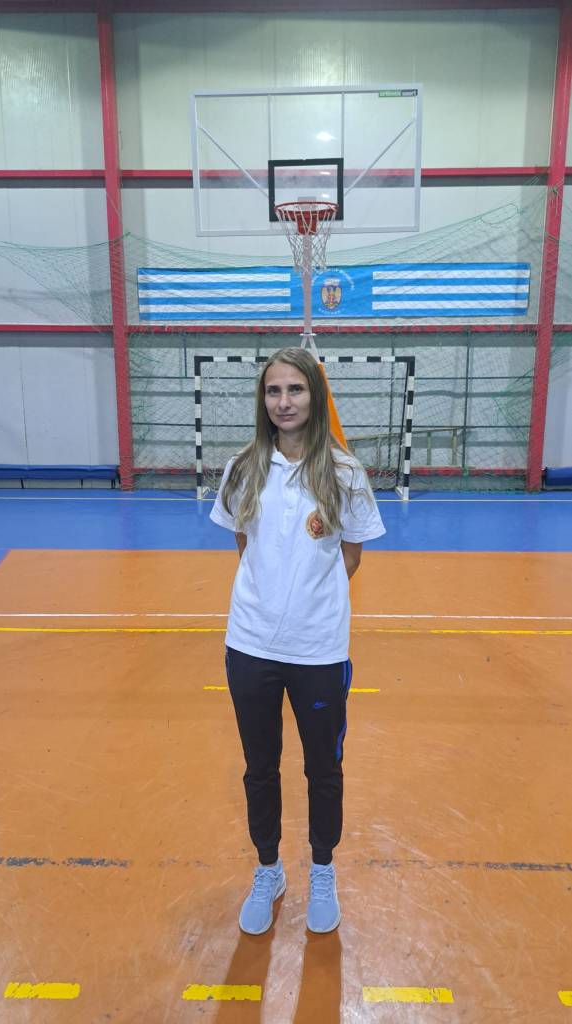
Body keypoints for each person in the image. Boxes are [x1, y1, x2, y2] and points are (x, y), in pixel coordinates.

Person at [210, 346, 385, 935]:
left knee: (323, 769)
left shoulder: (345, 473)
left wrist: (308, 601)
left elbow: (351, 555)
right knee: (259, 768)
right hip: (251, 645)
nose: (283, 402)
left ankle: (322, 869)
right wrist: (271, 598)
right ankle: (268, 870)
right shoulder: (243, 468)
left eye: (295, 389)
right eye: (273, 391)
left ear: (315, 394)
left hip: (318, 651)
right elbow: (244, 542)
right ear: (262, 400)